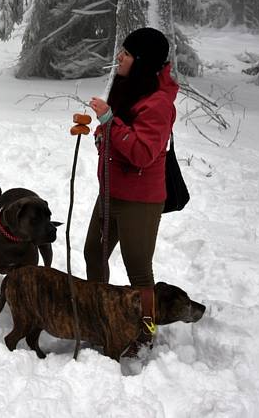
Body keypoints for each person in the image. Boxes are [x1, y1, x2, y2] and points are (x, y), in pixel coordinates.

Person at [84, 27, 178, 360]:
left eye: (125, 53)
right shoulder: (129, 87)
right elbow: (115, 128)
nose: (118, 57)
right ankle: (100, 318)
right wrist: (99, 132)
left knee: (138, 269)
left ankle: (146, 331)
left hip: (140, 199)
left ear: (140, 61)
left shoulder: (159, 103)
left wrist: (109, 121)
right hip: (111, 191)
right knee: (93, 254)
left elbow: (142, 154)